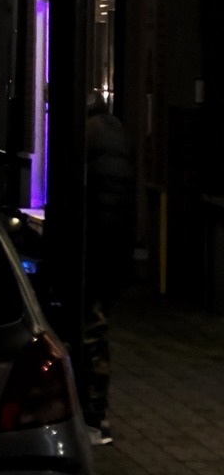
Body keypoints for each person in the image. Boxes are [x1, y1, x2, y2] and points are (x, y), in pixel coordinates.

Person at [82, 96, 135, 444]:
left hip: (95, 248)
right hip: (114, 248)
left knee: (90, 330)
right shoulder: (115, 132)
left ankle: (92, 417)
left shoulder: (87, 135)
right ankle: (97, 415)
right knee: (99, 329)